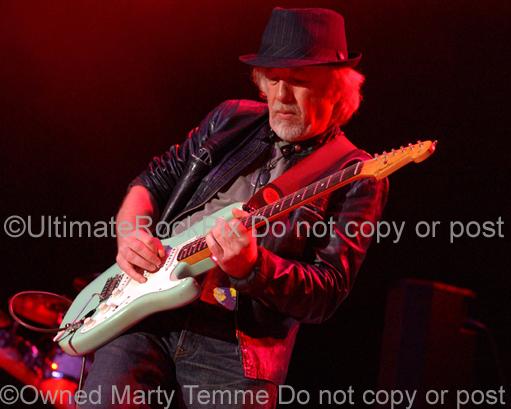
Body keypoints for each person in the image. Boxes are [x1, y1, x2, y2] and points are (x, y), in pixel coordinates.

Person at [81, 7, 388, 409]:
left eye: (298, 82)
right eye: (273, 80)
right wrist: (132, 235)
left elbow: (325, 292)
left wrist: (253, 267)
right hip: (145, 314)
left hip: (235, 348)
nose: (281, 96)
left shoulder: (356, 174)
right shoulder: (230, 119)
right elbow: (150, 182)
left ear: (337, 92)